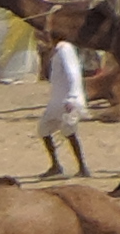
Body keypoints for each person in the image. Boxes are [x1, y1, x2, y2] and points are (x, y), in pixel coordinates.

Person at [35, 26, 93, 179]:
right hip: (58, 100)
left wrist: (72, 97)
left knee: (68, 131)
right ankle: (58, 165)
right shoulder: (56, 51)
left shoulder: (64, 49)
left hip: (67, 100)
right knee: (45, 129)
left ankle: (81, 167)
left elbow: (72, 72)